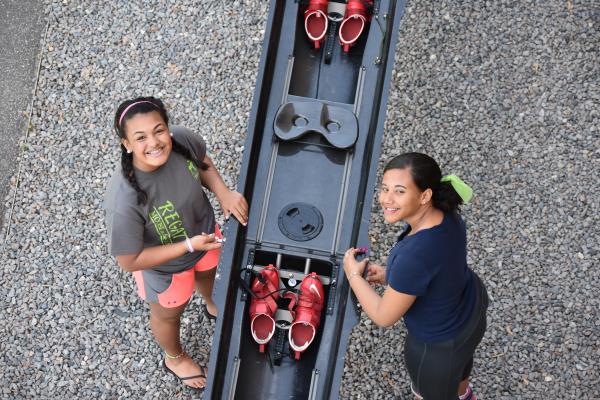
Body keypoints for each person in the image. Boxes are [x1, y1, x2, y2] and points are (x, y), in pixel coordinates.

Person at [104, 96, 248, 390]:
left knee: (210, 275)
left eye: (159, 130)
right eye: (140, 137)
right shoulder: (124, 199)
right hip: (167, 269)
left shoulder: (181, 140)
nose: (154, 142)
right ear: (127, 144)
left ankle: (212, 304)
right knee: (169, 314)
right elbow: (129, 260)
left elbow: (203, 161)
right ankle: (175, 357)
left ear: (168, 128)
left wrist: (223, 193)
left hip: (205, 238)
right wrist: (187, 247)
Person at [343, 153, 488, 400]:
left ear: (425, 195)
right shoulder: (447, 213)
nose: (386, 199)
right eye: (385, 188)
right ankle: (465, 396)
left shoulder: (415, 256)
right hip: (471, 312)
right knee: (461, 369)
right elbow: (437, 268)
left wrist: (354, 276)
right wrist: (392, 276)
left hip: (438, 347)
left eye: (400, 191)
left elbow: (384, 315)